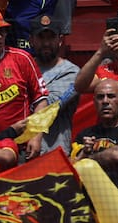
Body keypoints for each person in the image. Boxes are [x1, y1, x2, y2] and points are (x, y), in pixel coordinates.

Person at [0, 7, 49, 159]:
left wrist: (36, 135)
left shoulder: (22, 58)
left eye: (2, 32)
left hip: (20, 145)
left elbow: (41, 100)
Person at [30, 15, 80, 156]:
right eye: (41, 38)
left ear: (60, 40)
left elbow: (50, 105)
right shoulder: (23, 66)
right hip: (21, 151)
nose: (46, 43)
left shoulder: (71, 72)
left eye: (51, 38)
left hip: (54, 152)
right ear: (31, 40)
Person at [71, 79, 118, 177]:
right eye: (100, 97)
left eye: (111, 96)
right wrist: (84, 152)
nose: (105, 101)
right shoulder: (85, 134)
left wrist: (89, 159)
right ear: (94, 102)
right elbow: (74, 168)